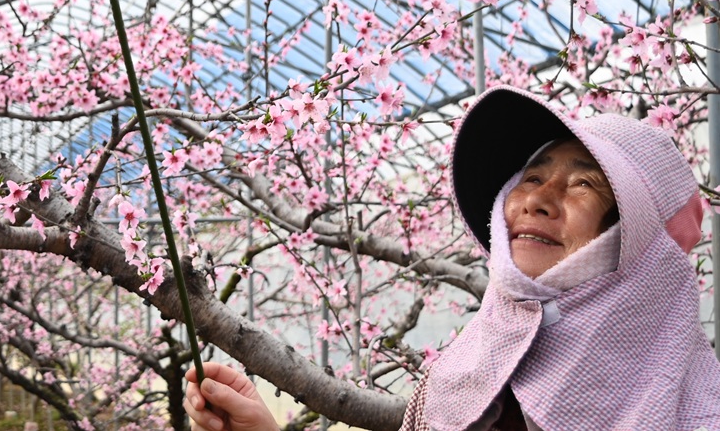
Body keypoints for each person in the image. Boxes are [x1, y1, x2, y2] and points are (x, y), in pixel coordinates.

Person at [185, 86, 720, 431]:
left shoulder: (690, 408)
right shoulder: (463, 371)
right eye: (531, 178)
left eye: (585, 184)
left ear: (640, 238)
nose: (536, 198)